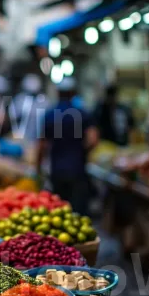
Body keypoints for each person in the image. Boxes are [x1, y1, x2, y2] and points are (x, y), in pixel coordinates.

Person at [37, 78, 99, 215]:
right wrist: (82, 151)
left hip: (57, 170)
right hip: (77, 169)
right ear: (73, 93)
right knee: (78, 214)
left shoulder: (50, 115)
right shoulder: (83, 114)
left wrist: (38, 167)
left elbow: (42, 144)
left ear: (58, 93)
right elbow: (93, 139)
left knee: (59, 212)